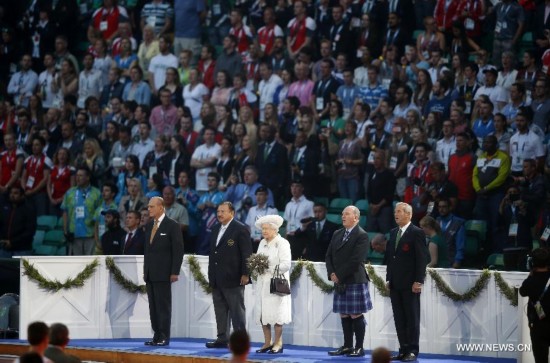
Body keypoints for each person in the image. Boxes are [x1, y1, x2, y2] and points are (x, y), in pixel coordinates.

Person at [384, 202, 428, 362]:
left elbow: (422, 259)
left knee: (412, 318)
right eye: (395, 211)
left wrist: (418, 281)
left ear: (409, 215)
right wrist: (389, 278)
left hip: (410, 284)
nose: (396, 214)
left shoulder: (417, 232)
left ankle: (412, 350)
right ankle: (403, 349)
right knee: (399, 318)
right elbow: (390, 258)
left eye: (400, 211)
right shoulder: (393, 232)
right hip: (395, 283)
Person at [326, 206, 372, 358]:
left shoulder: (362, 235)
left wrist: (338, 275)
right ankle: (347, 346)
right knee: (344, 314)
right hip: (339, 279)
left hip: (354, 280)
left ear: (356, 218)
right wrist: (332, 273)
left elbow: (356, 260)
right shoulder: (337, 233)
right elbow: (328, 255)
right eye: (342, 213)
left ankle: (359, 347)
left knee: (355, 314)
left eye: (347, 214)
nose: (343, 216)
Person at [206, 202, 252, 349]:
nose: (219, 214)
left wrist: (246, 273)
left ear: (232, 212)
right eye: (218, 211)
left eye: (223, 211)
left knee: (237, 311)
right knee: (220, 310)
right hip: (216, 277)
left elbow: (247, 254)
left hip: (234, 277)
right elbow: (214, 254)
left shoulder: (240, 229)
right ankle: (222, 338)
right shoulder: (214, 229)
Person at [143, 196, 185, 346]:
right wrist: (145, 271)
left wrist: (175, 271)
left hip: (164, 273)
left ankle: (164, 336)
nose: (149, 209)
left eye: (152, 206)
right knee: (153, 307)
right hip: (150, 273)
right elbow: (147, 251)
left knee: (163, 307)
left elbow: (178, 250)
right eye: (148, 207)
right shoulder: (148, 226)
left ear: (161, 207)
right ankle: (156, 335)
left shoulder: (172, 226)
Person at [253, 214, 292, 354]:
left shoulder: (283, 243)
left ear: (275, 230)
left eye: (267, 229)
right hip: (262, 283)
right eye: (263, 229)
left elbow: (286, 264)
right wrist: (256, 267)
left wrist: (270, 268)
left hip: (276, 283)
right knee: (263, 315)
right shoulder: (262, 243)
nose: (264, 231)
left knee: (277, 315)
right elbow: (257, 259)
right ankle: (267, 342)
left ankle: (278, 343)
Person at [61, 167, 102, 256]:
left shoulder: (97, 193)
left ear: (88, 177)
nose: (77, 178)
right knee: (76, 265)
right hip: (74, 234)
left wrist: (97, 235)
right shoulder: (70, 193)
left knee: (90, 264)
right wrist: (65, 231)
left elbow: (100, 215)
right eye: (76, 175)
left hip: (91, 235)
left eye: (80, 175)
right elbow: (65, 212)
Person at [519, 248, 550, 363]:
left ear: (532, 263)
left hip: (538, 325)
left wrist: (530, 275)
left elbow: (522, 292)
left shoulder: (530, 281)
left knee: (540, 358)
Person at [0, 185, 36, 258]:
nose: (12, 195)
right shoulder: (5, 208)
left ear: (22, 195)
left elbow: (29, 232)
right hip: (5, 249)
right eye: (11, 193)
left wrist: (12, 242)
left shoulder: (29, 210)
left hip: (22, 250)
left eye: (16, 193)